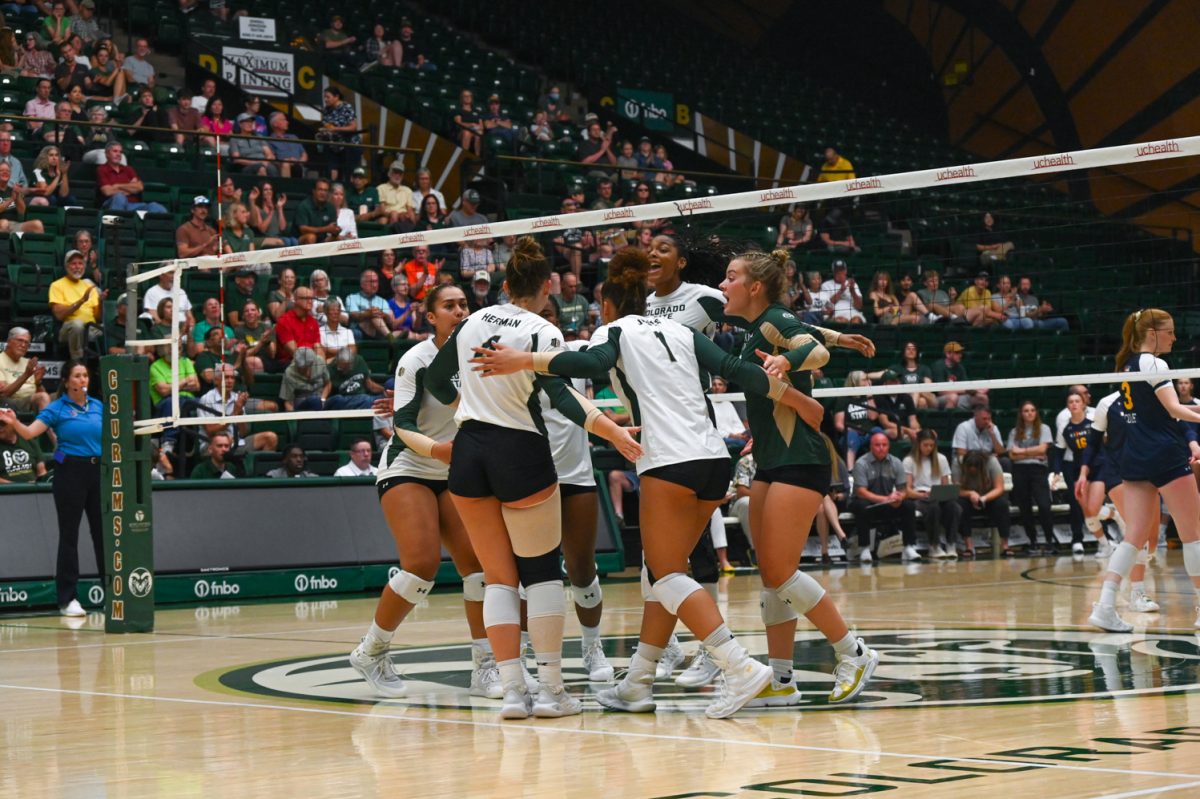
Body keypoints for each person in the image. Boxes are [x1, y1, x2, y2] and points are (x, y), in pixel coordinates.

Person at [472, 247, 824, 716]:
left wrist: (524, 361)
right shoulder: (680, 329)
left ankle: (739, 667)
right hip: (714, 458)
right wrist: (797, 398)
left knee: (666, 572)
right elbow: (738, 372)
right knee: (659, 571)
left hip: (668, 461)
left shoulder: (612, 331)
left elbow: (591, 366)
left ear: (609, 304)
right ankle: (638, 681)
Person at [421, 237, 639, 720]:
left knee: (498, 579)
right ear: (547, 286)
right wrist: (613, 432)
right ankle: (552, 692)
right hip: (518, 450)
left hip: (469, 451)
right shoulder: (543, 330)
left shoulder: (474, 319)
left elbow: (435, 382)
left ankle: (514, 692)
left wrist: (469, 410)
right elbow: (563, 399)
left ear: (504, 284)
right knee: (540, 574)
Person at [717, 247, 878, 706]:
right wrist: (842, 338)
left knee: (782, 571)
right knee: (771, 575)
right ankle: (782, 681)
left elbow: (812, 347)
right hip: (770, 458)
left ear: (755, 287)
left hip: (799, 457)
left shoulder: (769, 322)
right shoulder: (756, 326)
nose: (723, 285)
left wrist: (790, 362)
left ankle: (854, 651)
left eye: (731, 278)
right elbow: (808, 330)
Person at [350, 281, 500, 698]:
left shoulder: (481, 355)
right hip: (410, 464)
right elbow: (402, 424)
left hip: (453, 469)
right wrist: (438, 449)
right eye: (449, 305)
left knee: (480, 570)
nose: (459, 310)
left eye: (464, 304)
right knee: (421, 566)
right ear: (430, 317)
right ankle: (371, 651)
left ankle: (485, 667)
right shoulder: (416, 359)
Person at [531, 300, 612, 681]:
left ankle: (592, 647)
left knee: (582, 569)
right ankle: (532, 650)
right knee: (529, 574)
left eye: (550, 318)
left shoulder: (579, 353)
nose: (544, 326)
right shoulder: (516, 357)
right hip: (530, 477)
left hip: (577, 476)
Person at [1, 361, 103, 616]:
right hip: (70, 473)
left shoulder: (99, 406)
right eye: (77, 376)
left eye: (85, 376)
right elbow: (29, 433)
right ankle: (68, 599)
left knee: (103, 535)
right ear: (67, 381)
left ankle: (113, 594)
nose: (83, 380)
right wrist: (14, 422)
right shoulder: (57, 408)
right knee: (69, 536)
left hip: (98, 471)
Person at [1090, 388, 1158, 616]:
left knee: (1150, 538)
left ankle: (1124, 589)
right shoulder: (1107, 403)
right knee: (1136, 529)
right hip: (1116, 471)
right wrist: (1082, 473)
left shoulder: (1152, 399)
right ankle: (1136, 593)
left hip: (1146, 469)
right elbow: (1093, 441)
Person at [1053, 389, 1109, 557]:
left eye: (1077, 401)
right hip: (1078, 469)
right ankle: (1105, 545)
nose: (1074, 404)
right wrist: (1056, 472)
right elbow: (1058, 451)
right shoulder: (1066, 428)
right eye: (1071, 402)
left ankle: (1117, 517)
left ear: (1084, 404)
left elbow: (1106, 442)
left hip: (1098, 466)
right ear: (1067, 407)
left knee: (1093, 508)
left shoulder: (1094, 423)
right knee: (1086, 511)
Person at [851, 432, 920, 561]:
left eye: (884, 445)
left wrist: (899, 497)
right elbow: (861, 492)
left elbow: (903, 489)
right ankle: (865, 548)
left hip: (888, 503)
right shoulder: (861, 463)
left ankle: (909, 547)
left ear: (889, 446)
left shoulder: (896, 462)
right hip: (868, 502)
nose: (881, 448)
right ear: (871, 447)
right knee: (861, 506)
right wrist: (886, 499)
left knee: (909, 505)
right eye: (877, 445)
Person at [1007, 400, 1057, 554]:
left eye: (1032, 410)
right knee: (1025, 507)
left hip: (1038, 471)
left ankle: (1049, 539)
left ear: (1036, 412)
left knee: (1044, 505)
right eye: (1026, 411)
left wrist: (1021, 451)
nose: (1029, 413)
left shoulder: (1044, 429)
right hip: (1020, 470)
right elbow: (1011, 455)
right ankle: (1032, 540)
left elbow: (1043, 450)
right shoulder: (1014, 432)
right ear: (1021, 414)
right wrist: (1033, 453)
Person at [904, 429, 960, 558]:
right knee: (933, 507)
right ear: (918, 444)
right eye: (925, 445)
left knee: (954, 507)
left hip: (937, 495)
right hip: (919, 497)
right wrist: (922, 495)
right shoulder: (909, 460)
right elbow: (907, 490)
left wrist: (945, 493)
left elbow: (945, 485)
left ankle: (951, 544)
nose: (928, 448)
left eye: (931, 445)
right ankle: (934, 545)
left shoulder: (941, 459)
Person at [49, 249, 105, 360]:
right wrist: (81, 302)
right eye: (73, 263)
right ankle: (77, 361)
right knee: (77, 325)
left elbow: (97, 317)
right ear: (67, 266)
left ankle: (106, 364)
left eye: (80, 263)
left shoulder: (89, 286)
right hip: (68, 328)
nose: (77, 266)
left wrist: (101, 302)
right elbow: (59, 315)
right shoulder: (57, 285)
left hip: (91, 328)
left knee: (109, 331)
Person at [955, 451, 1010, 557]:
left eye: (975, 467)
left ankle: (1005, 546)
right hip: (967, 497)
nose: (972, 469)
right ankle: (969, 546)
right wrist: (970, 494)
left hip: (988, 496)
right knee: (959, 505)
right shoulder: (957, 463)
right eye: (969, 467)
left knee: (1002, 504)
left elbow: (999, 488)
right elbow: (956, 490)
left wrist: (984, 498)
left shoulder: (992, 462)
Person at [97, 142, 165, 212]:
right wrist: (130, 189)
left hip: (133, 205)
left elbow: (139, 187)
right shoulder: (102, 169)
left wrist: (117, 186)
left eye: (120, 152)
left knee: (156, 207)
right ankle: (117, 222)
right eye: (115, 151)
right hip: (112, 203)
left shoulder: (128, 169)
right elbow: (107, 191)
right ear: (107, 154)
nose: (118, 154)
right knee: (120, 197)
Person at [0, 327, 50, 413]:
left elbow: (43, 394)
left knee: (63, 396)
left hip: (31, 400)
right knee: (42, 398)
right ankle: (44, 426)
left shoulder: (28, 363)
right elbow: (4, 394)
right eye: (20, 340)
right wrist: (26, 375)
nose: (23, 345)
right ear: (9, 342)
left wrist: (38, 383)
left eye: (27, 343)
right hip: (10, 402)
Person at [273, 285, 320, 366]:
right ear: (296, 300)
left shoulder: (313, 322)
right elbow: (294, 351)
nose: (310, 301)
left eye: (312, 298)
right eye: (306, 298)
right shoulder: (284, 321)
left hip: (311, 362)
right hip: (291, 363)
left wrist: (320, 363)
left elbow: (318, 348)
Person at [319, 87, 359, 181]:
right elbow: (326, 125)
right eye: (324, 97)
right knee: (332, 172)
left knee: (349, 174)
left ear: (336, 97)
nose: (325, 99)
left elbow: (353, 127)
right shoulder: (326, 110)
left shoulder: (346, 107)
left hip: (349, 145)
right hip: (333, 146)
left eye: (328, 97)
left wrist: (335, 129)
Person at [932, 340, 986, 410]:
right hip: (939, 399)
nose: (960, 355)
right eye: (957, 353)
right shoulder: (938, 366)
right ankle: (947, 420)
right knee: (953, 397)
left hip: (959, 396)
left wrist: (977, 389)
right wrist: (965, 390)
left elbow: (966, 385)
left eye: (960, 353)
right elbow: (941, 391)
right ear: (948, 354)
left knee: (982, 398)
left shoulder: (960, 367)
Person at [952, 398, 1007, 466]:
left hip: (987, 462)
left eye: (989, 418)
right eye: (984, 419)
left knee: (1004, 461)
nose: (987, 422)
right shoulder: (963, 427)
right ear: (976, 417)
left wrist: (992, 435)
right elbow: (961, 453)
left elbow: (1001, 452)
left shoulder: (993, 428)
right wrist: (985, 458)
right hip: (969, 463)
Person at [345, 269, 395, 340]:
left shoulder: (382, 301)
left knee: (376, 314)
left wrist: (381, 314)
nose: (374, 285)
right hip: (359, 330)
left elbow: (390, 321)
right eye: (371, 282)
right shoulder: (351, 298)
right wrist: (368, 314)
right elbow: (353, 315)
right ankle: (391, 339)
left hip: (378, 331)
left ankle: (390, 338)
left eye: (376, 282)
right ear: (362, 284)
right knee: (373, 315)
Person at [0, 410, 45, 482]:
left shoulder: (28, 440)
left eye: (3, 424)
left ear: (15, 423)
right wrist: (15, 486)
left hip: (34, 490)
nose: (0, 428)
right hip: (6, 492)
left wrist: (37, 484)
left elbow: (41, 470)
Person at [280, 347, 329, 411]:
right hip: (302, 403)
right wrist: (295, 418)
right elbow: (288, 402)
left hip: (321, 399)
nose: (306, 370)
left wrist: (323, 399)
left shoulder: (319, 361)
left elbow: (328, 383)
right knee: (314, 400)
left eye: (308, 366)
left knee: (338, 399)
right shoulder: (289, 372)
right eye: (302, 368)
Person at [294, 178, 339, 244]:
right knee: (311, 237)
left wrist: (336, 230)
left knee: (339, 238)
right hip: (300, 238)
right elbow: (303, 229)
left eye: (325, 190)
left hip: (322, 239)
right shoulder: (304, 206)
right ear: (314, 191)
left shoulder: (330, 207)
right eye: (320, 190)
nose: (323, 193)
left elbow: (332, 227)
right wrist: (326, 229)